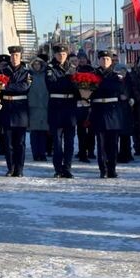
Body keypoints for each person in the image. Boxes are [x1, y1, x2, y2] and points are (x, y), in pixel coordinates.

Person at [45, 44, 79, 178]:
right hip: (56, 107)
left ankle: (68, 167)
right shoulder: (50, 68)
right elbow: (52, 86)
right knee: (57, 142)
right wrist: (68, 79)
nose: (62, 56)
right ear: (54, 55)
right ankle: (58, 169)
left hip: (70, 107)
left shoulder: (72, 68)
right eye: (59, 54)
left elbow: (77, 89)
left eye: (64, 54)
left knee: (70, 141)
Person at [91, 50, 123, 178]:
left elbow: (117, 89)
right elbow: (90, 91)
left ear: (111, 61)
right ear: (98, 60)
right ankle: (103, 169)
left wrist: (102, 86)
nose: (105, 61)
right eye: (103, 59)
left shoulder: (116, 76)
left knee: (113, 143)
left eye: (107, 59)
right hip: (99, 109)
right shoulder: (93, 75)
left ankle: (112, 168)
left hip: (113, 111)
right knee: (101, 143)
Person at [0, 46, 30, 177]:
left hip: (20, 109)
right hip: (6, 108)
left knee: (20, 143)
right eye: (12, 56)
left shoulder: (26, 72)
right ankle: (10, 167)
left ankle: (20, 169)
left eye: (17, 55)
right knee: (8, 142)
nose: (14, 58)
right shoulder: (3, 71)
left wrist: (7, 86)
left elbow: (25, 87)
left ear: (20, 57)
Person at [75, 52, 96, 162]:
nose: (82, 60)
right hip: (79, 105)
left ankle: (91, 150)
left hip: (91, 105)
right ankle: (82, 151)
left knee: (91, 130)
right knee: (81, 130)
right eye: (80, 58)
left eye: (83, 58)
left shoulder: (91, 70)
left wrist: (89, 97)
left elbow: (96, 86)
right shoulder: (75, 70)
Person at [27, 57, 49, 161]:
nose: (36, 66)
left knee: (43, 132)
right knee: (34, 132)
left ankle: (43, 152)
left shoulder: (45, 75)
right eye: (34, 64)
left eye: (38, 64)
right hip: (33, 106)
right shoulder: (29, 75)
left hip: (44, 105)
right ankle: (35, 153)